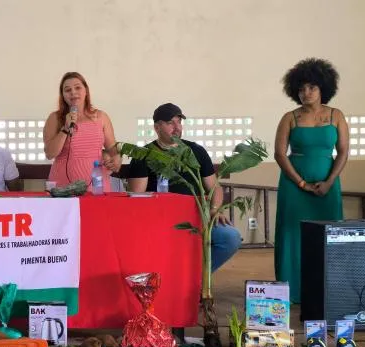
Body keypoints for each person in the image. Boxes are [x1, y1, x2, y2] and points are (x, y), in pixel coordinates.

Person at [127, 103, 243, 272]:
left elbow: (215, 188)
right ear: (157, 127)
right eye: (170, 123)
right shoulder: (144, 154)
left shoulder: (195, 151)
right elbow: (136, 197)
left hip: (196, 218)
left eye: (179, 122)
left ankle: (197, 278)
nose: (177, 127)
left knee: (230, 237)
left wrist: (215, 210)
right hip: (158, 221)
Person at [274, 58, 349, 302]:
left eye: (312, 88)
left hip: (328, 185)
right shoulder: (289, 117)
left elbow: (343, 152)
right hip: (294, 186)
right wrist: (301, 183)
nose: (306, 93)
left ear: (323, 89)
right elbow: (279, 154)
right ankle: (292, 291)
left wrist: (329, 182)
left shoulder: (336, 116)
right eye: (302, 89)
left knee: (328, 234)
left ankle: (327, 288)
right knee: (292, 233)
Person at [43, 72, 121, 189]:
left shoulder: (101, 117)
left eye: (77, 87)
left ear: (86, 91)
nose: (73, 92)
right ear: (63, 95)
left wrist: (117, 158)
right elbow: (50, 153)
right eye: (67, 90)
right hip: (63, 185)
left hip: (96, 184)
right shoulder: (55, 118)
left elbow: (112, 149)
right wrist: (65, 128)